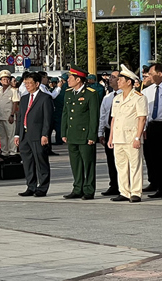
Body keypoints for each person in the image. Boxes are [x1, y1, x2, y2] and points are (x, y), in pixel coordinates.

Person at [109, 65, 148, 203]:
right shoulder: (117, 98)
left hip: (132, 137)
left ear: (129, 82)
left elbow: (141, 118)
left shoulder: (139, 98)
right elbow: (114, 119)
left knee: (134, 165)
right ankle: (124, 191)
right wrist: (111, 137)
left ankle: (136, 192)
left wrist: (138, 137)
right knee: (120, 165)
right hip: (119, 137)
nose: (117, 82)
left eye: (120, 80)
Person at [61, 67, 99, 200]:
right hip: (72, 133)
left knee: (88, 163)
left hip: (85, 135)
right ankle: (77, 188)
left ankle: (88, 189)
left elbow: (94, 116)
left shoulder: (90, 93)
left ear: (78, 79)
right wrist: (64, 131)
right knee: (75, 163)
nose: (68, 80)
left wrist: (92, 136)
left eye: (71, 78)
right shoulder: (68, 93)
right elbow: (65, 113)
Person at [14, 72, 54, 197]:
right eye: (25, 83)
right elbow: (20, 117)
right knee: (27, 162)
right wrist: (17, 134)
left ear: (37, 84)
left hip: (38, 135)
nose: (27, 86)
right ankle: (30, 186)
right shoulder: (25, 98)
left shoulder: (45, 98)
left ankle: (42, 187)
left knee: (40, 161)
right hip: (25, 134)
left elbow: (48, 119)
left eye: (29, 83)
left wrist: (45, 134)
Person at [143, 63, 162, 199]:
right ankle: (159, 187)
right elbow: (145, 111)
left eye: (151, 74)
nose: (149, 77)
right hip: (151, 126)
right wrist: (144, 128)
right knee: (154, 159)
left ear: (160, 74)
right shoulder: (148, 90)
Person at [99, 70, 120, 197]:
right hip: (108, 131)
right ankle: (113, 185)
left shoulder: (126, 96)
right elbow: (102, 116)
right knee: (111, 160)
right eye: (110, 77)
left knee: (121, 161)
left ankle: (124, 185)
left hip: (120, 131)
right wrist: (100, 132)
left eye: (114, 77)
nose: (110, 79)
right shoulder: (108, 97)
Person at [0, 70, 20, 156]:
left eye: (7, 79)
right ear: (0, 81)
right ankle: (4, 152)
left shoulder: (13, 91)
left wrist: (12, 114)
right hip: (0, 116)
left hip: (9, 116)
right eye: (3, 79)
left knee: (11, 135)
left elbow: (15, 103)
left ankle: (12, 152)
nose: (6, 81)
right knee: (2, 136)